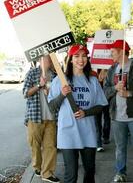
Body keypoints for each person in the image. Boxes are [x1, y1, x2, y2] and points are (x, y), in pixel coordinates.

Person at [48, 44, 108, 183]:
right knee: (71, 174)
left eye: (84, 56)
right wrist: (62, 95)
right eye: (76, 56)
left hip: (88, 132)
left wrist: (85, 112)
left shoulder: (92, 81)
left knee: (90, 171)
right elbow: (52, 107)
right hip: (68, 133)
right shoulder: (60, 80)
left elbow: (101, 106)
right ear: (70, 59)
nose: (81, 59)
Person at [23, 55, 60, 183]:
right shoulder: (32, 73)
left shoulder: (55, 76)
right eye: (45, 58)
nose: (48, 61)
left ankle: (47, 173)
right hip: (35, 117)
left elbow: (58, 96)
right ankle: (37, 167)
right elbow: (25, 93)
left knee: (51, 146)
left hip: (51, 117)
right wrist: (39, 85)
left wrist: (49, 92)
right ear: (40, 60)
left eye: (49, 59)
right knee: (35, 145)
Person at [103, 39, 133, 182]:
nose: (111, 55)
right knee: (120, 148)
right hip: (116, 117)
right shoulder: (112, 70)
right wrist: (115, 89)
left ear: (121, 51)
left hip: (132, 116)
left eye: (113, 52)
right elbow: (105, 91)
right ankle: (120, 173)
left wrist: (129, 93)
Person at [96, 69, 111, 152]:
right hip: (100, 102)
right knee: (101, 121)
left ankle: (103, 139)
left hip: (104, 101)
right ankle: (101, 141)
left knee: (104, 119)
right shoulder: (93, 74)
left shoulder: (109, 71)